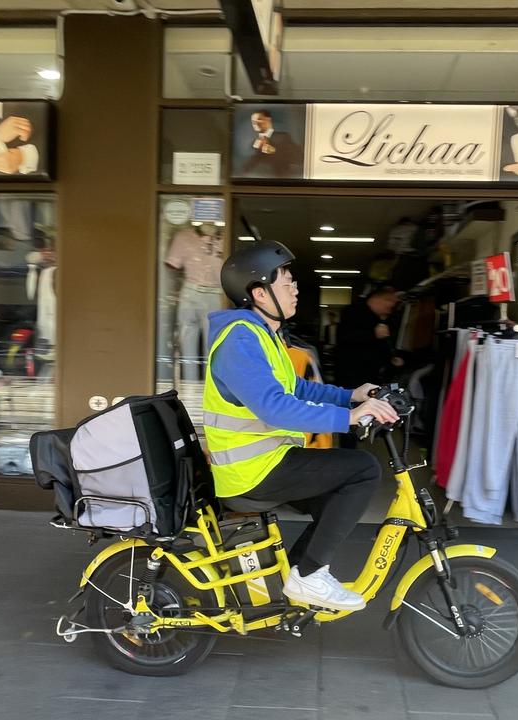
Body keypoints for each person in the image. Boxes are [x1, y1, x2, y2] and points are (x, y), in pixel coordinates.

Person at [204, 241, 399, 612]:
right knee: (361, 470)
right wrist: (350, 418)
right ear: (259, 293)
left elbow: (297, 388)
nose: (295, 290)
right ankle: (307, 575)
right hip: (249, 472)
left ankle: (297, 576)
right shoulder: (240, 340)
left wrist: (350, 396)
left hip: (269, 462)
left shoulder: (265, 335)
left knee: (337, 498)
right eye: (287, 283)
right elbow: (276, 407)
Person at [334, 286, 401, 391]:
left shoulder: (382, 317)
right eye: (390, 302)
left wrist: (391, 360)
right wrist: (373, 334)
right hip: (353, 375)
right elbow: (345, 338)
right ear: (379, 299)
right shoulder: (353, 312)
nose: (391, 308)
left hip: (372, 375)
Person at [237, 109, 302, 178]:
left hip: (281, 183)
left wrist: (275, 151)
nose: (255, 123)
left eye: (259, 119)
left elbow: (298, 158)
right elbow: (244, 167)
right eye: (253, 121)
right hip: (254, 184)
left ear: (268, 120)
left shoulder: (284, 137)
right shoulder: (253, 145)